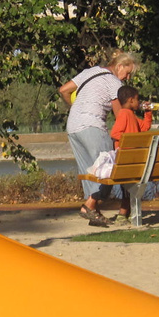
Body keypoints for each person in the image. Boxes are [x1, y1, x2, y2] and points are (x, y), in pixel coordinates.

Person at [59, 49, 138, 227]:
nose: (127, 78)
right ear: (119, 66)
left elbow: (64, 90)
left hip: (73, 126)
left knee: (90, 171)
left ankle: (95, 213)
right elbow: (121, 115)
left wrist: (78, 107)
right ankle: (88, 206)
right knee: (108, 169)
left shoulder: (90, 71)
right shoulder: (114, 82)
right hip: (92, 126)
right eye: (128, 73)